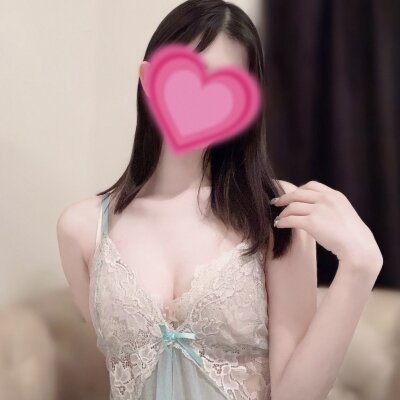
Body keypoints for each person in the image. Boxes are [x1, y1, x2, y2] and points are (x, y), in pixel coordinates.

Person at [56, 1, 383, 399]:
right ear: (149, 80)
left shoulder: (276, 211)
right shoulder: (81, 229)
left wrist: (360, 266)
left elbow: (296, 394)